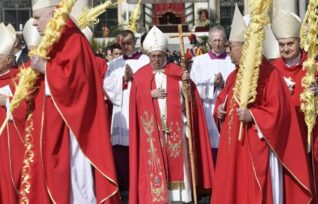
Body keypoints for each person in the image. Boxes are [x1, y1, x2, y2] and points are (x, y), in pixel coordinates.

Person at [211, 6, 312, 204]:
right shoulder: (234, 75)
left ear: (245, 46)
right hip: (234, 152)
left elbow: (279, 113)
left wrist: (253, 115)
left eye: (231, 46)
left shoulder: (270, 74)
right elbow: (223, 100)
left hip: (259, 151)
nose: (227, 51)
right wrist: (220, 109)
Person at [30, 0, 119, 203]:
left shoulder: (73, 40)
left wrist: (45, 68)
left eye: (37, 17)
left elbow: (78, 84)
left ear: (53, 14)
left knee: (76, 179)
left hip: (73, 128)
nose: (34, 23)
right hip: (56, 123)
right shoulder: (56, 39)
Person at [129, 26, 214, 204]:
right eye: (153, 56)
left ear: (165, 54)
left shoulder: (176, 71)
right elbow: (133, 105)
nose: (157, 60)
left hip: (175, 130)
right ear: (148, 56)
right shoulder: (140, 76)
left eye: (160, 56)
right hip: (152, 135)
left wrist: (186, 86)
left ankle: (179, 199)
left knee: (178, 164)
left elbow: (191, 103)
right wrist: (147, 95)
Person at [271, 9, 318, 202]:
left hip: (311, 135)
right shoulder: (272, 68)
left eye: (290, 44)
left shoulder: (313, 66)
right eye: (281, 45)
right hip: (285, 138)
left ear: (299, 42)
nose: (285, 49)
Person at [0, 23, 27, 204]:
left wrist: (9, 103)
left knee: (9, 181)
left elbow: (27, 109)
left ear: (9, 60)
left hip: (11, 143)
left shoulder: (20, 78)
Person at [103, 29, 149, 196]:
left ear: (135, 42)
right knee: (120, 149)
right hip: (121, 112)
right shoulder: (114, 64)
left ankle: (139, 184)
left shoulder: (145, 61)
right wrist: (123, 79)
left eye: (129, 43)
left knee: (139, 147)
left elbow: (151, 81)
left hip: (139, 110)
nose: (126, 47)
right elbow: (106, 85)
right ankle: (123, 186)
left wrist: (134, 79)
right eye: (123, 44)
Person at [190, 25, 235, 163]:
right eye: (214, 40)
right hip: (207, 109)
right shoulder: (198, 61)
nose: (217, 43)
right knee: (208, 145)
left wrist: (224, 83)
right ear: (209, 42)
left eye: (220, 40)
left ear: (225, 41)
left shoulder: (233, 60)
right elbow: (193, 87)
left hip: (227, 110)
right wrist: (212, 83)